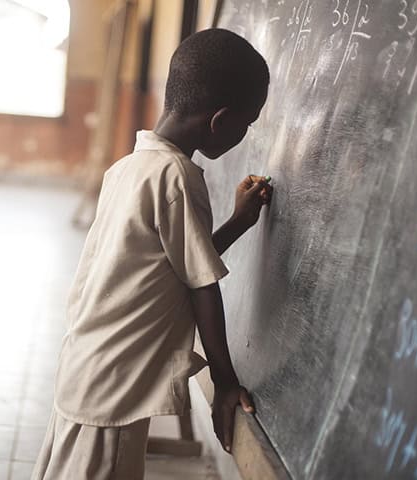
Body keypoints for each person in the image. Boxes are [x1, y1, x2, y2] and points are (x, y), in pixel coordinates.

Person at [31, 28, 272, 480]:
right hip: (116, 390)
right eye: (250, 121)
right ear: (220, 121)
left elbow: (175, 267)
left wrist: (238, 223)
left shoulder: (130, 168)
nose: (248, 132)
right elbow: (201, 284)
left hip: (90, 366)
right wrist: (224, 380)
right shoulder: (178, 177)